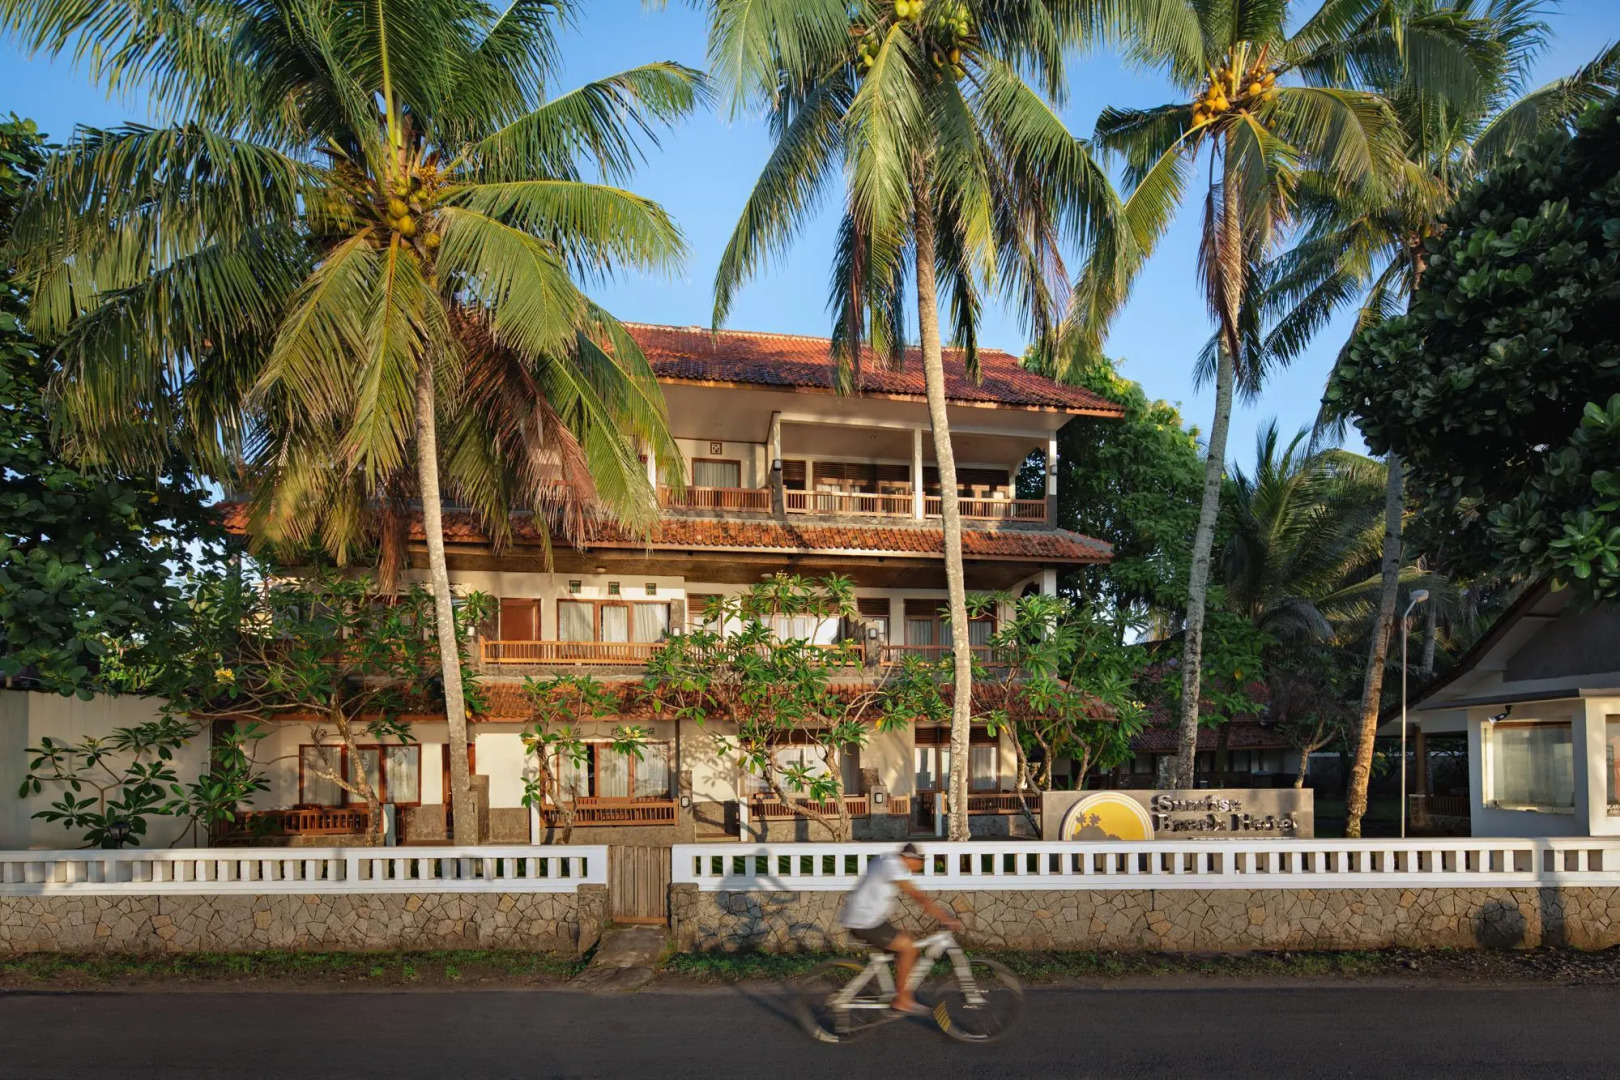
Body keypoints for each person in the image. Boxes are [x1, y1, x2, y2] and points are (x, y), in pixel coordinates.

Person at [837, 842, 962, 1016]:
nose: (919, 866)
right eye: (919, 862)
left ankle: (896, 990)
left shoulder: (887, 861)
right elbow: (917, 895)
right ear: (909, 858)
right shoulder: (893, 866)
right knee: (909, 949)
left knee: (904, 944)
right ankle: (902, 1001)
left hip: (867, 919)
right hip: (864, 922)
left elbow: (878, 895)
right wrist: (946, 918)